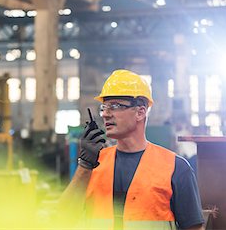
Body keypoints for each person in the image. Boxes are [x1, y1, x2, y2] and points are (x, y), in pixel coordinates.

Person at [59, 69, 204, 230]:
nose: (105, 114)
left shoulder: (175, 167)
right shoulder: (93, 165)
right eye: (104, 107)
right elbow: (62, 219)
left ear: (140, 112)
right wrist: (85, 165)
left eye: (114, 106)